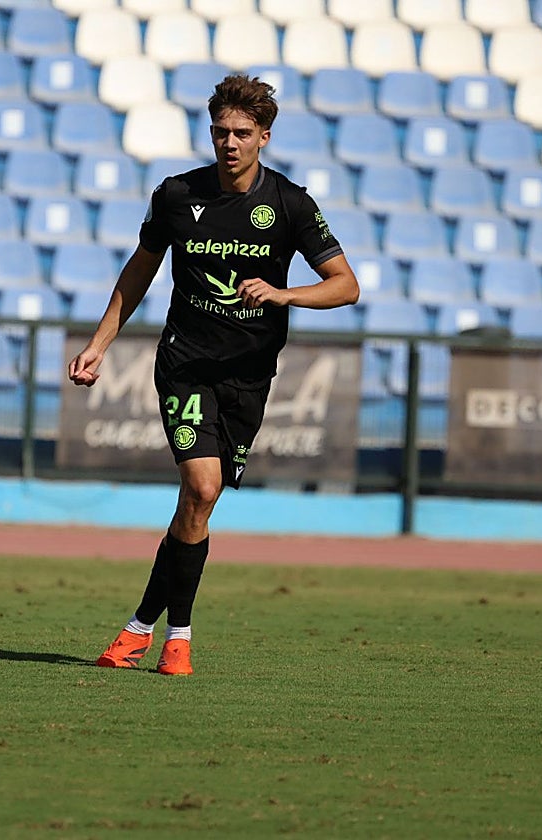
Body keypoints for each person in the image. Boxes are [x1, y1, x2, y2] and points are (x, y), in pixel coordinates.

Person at [67, 74, 360, 675]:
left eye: (242, 133)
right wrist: (99, 345)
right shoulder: (177, 195)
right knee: (201, 489)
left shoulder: (290, 204)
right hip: (186, 364)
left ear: (264, 137)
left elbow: (345, 286)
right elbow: (139, 270)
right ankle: (179, 638)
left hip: (249, 376)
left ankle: (138, 630)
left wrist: (284, 294)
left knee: (195, 510)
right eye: (221, 131)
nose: (229, 142)